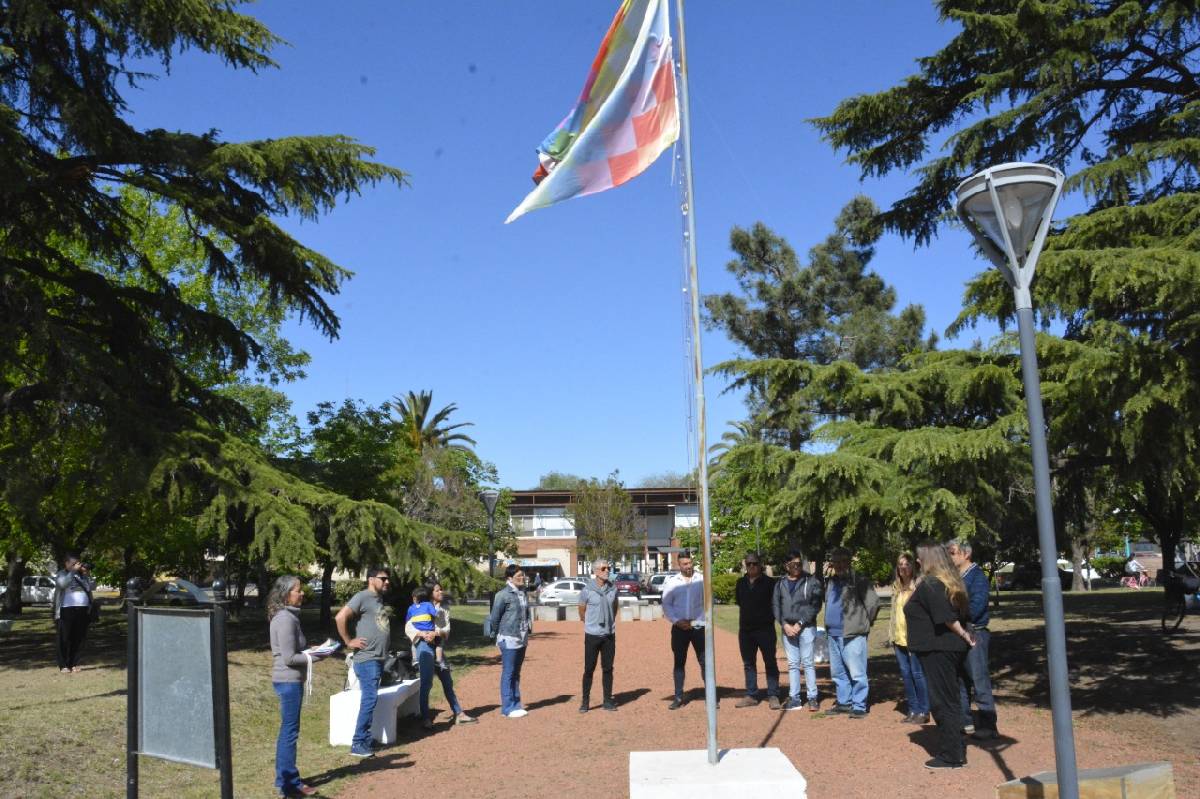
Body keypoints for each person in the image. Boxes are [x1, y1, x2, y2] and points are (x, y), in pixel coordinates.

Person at [905, 541, 976, 770]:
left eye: (920, 557)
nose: (917, 561)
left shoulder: (933, 584)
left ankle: (951, 754)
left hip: (939, 650)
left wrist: (965, 635)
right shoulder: (944, 582)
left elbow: (946, 617)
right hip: (943, 648)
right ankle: (955, 747)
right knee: (950, 698)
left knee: (942, 701)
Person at [268, 575, 329, 797]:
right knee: (289, 732)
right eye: (298, 590)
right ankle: (290, 783)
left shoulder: (289, 617)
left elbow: (294, 650)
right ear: (286, 594)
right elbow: (289, 658)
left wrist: (312, 649)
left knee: (289, 730)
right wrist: (318, 656)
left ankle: (282, 778)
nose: (302, 593)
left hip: (290, 680)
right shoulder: (285, 619)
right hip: (288, 681)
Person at [335, 566, 392, 758]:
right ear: (371, 579)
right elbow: (340, 617)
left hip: (377, 659)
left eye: (387, 579)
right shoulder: (362, 597)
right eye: (383, 579)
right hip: (366, 659)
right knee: (369, 699)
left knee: (370, 699)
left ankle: (365, 740)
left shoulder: (377, 599)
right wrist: (348, 641)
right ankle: (358, 742)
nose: (387, 582)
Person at [406, 582, 477, 729]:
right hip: (423, 647)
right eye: (438, 590)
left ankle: (459, 714)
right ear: (430, 593)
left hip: (438, 648)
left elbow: (447, 632)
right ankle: (425, 718)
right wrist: (423, 634)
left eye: (441, 589)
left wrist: (436, 633)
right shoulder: (418, 609)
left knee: (447, 682)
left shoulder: (444, 609)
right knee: (426, 683)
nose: (441, 592)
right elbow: (409, 627)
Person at [948, 539, 997, 738]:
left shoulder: (977, 577)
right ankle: (965, 722)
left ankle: (988, 726)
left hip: (974, 632)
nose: (949, 557)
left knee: (979, 680)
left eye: (952, 553)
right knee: (960, 680)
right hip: (957, 633)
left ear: (965, 554)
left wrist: (952, 615)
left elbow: (976, 607)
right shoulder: (953, 577)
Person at [823, 546, 880, 718]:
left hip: (853, 634)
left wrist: (863, 623)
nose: (839, 565)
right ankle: (844, 702)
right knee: (838, 673)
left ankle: (859, 705)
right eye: (836, 561)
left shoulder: (859, 580)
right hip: (833, 634)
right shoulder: (831, 582)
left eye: (843, 561)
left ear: (849, 562)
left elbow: (873, 604)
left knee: (857, 672)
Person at [773, 549, 823, 711]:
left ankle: (812, 697)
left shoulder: (811, 581)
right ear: (786, 566)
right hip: (787, 628)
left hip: (806, 627)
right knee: (793, 664)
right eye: (793, 564)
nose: (796, 566)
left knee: (808, 663)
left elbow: (815, 605)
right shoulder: (780, 583)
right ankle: (794, 698)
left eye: (799, 563)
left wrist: (800, 623)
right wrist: (784, 624)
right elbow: (776, 605)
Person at [661, 552, 708, 709]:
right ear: (679, 565)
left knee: (704, 661)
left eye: (690, 563)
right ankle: (679, 696)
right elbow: (666, 604)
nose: (688, 566)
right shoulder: (672, 582)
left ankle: (710, 696)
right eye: (685, 564)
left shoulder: (701, 579)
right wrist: (677, 621)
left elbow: (707, 602)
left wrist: (696, 621)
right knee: (679, 662)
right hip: (679, 628)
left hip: (698, 627)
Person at [734, 551, 780, 709]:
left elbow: (775, 604)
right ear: (745, 565)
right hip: (746, 631)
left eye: (754, 563)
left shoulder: (770, 583)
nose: (752, 566)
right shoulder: (740, 583)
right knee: (749, 663)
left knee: (770, 662)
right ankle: (751, 695)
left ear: (760, 564)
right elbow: (740, 602)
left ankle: (773, 694)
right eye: (749, 564)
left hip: (765, 630)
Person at [889, 552, 929, 724]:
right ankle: (912, 709)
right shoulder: (896, 587)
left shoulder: (919, 585)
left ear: (913, 566)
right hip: (899, 638)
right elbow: (893, 613)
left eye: (907, 564)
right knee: (906, 675)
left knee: (917, 674)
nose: (903, 567)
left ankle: (924, 710)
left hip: (915, 638)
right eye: (900, 564)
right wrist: (891, 635)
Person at [487, 564, 531, 718]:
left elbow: (526, 614)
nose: (522, 578)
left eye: (522, 575)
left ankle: (516, 704)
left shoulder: (523, 593)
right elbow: (494, 619)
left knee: (516, 673)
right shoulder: (502, 595)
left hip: (522, 637)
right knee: (508, 672)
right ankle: (507, 707)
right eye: (518, 576)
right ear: (509, 578)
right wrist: (500, 633)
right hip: (509, 638)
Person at [577, 558, 619, 712]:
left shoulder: (613, 589)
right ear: (595, 572)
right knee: (589, 669)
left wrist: (609, 622)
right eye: (603, 568)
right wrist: (589, 623)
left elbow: (615, 607)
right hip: (592, 635)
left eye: (608, 568)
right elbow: (581, 609)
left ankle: (607, 700)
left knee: (608, 669)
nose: (607, 570)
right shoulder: (587, 590)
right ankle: (585, 702)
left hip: (609, 635)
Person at [52, 553, 94, 673]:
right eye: (74, 563)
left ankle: (74, 663)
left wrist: (87, 575)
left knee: (79, 637)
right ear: (67, 564)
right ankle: (63, 665)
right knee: (64, 638)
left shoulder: (83, 575)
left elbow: (92, 587)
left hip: (83, 609)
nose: (77, 566)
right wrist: (73, 572)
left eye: (78, 563)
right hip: (66, 609)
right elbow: (62, 584)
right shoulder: (62, 574)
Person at [406, 586, 445, 669]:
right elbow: (435, 614)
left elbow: (408, 621)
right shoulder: (428, 605)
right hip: (429, 631)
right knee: (439, 643)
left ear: (415, 598)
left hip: (418, 632)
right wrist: (437, 607)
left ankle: (414, 659)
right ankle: (439, 660)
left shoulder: (411, 608)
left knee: (413, 643)